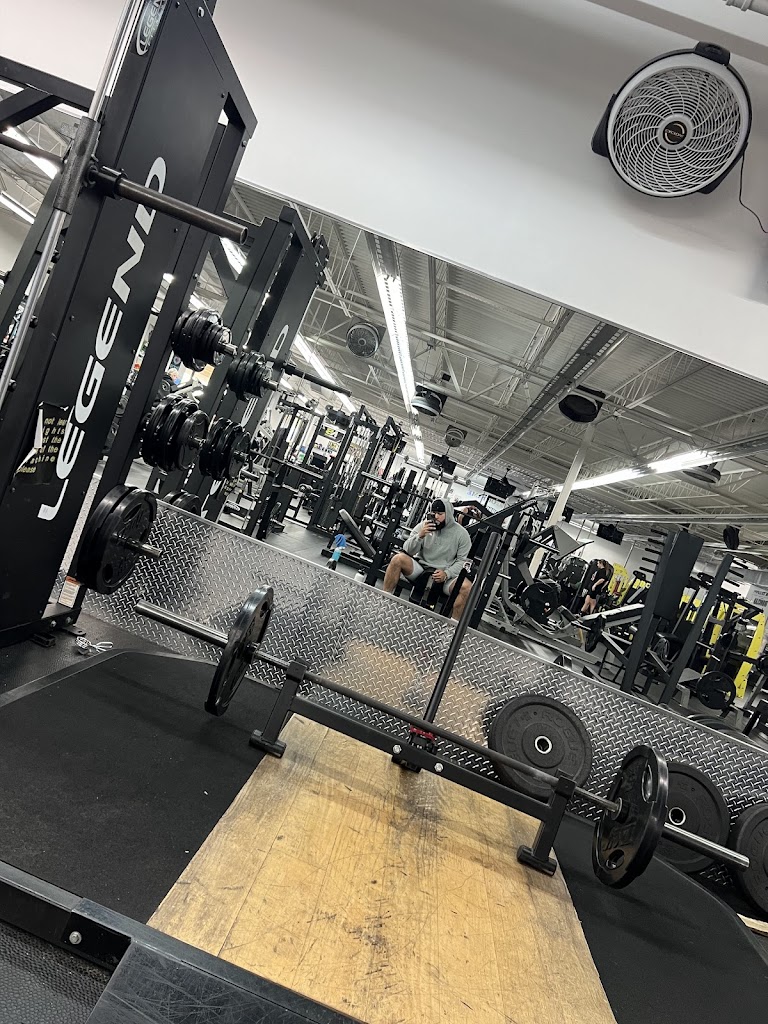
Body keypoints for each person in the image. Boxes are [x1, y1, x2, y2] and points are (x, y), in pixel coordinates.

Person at [383, 498, 472, 620]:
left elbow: (462, 561)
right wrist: (420, 536)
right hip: (421, 570)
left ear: (448, 514)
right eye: (433, 513)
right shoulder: (423, 526)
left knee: (467, 587)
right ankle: (384, 600)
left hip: (444, 576)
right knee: (397, 559)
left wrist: (447, 574)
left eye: (440, 514)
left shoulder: (462, 534)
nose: (436, 517)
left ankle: (453, 626)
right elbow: (407, 550)